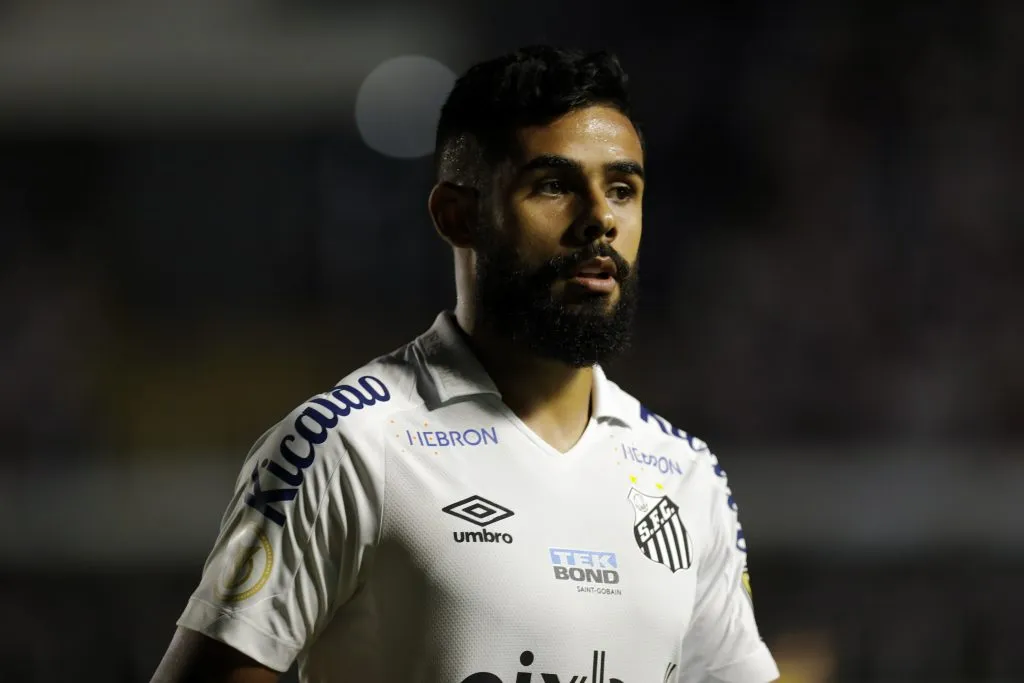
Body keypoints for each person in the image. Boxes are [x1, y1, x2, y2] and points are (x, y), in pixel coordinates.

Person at [151, 45, 780, 683]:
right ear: (458, 215)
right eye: (554, 186)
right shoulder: (349, 447)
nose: (600, 221)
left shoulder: (686, 477)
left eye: (623, 189)